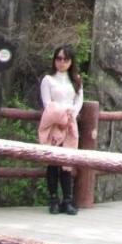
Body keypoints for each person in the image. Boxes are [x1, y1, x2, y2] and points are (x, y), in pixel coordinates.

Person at [39, 44, 83, 215]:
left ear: (71, 61)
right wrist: (62, 116)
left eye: (65, 59)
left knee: (67, 162)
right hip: (53, 123)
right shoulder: (48, 80)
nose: (62, 62)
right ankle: (53, 199)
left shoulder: (76, 80)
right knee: (53, 163)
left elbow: (78, 101)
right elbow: (47, 103)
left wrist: (72, 114)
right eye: (59, 58)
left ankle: (68, 200)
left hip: (70, 124)